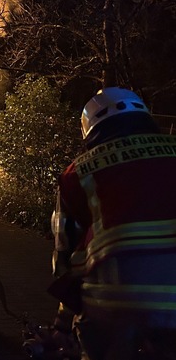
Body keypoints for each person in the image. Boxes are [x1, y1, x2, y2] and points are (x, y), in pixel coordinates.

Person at [50, 87, 176, 359]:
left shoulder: (77, 173)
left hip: (112, 303)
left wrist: (62, 323)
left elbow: (65, 254)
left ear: (89, 130)